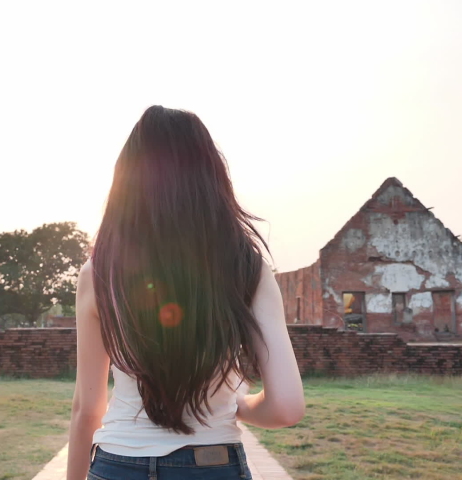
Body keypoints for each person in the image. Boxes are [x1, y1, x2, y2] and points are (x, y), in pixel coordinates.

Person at [66, 106, 305, 479]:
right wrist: (238, 406)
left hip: (118, 464)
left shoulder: (98, 273)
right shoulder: (247, 267)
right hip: (212, 464)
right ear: (212, 178)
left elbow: (87, 409)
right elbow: (286, 408)